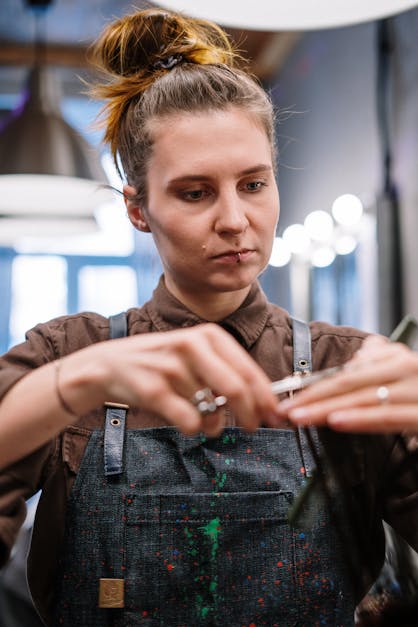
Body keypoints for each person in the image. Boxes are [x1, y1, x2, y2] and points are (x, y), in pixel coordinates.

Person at [0, 7, 417, 626]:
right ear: (138, 209)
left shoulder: (347, 367)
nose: (233, 220)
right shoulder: (65, 353)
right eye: (195, 193)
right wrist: (70, 386)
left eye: (254, 184)